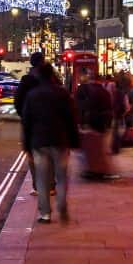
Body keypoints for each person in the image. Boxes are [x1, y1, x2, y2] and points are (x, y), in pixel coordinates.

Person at [21, 63, 79, 224]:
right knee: (61, 176)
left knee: (42, 178)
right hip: (60, 141)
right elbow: (71, 119)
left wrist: (26, 145)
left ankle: (45, 214)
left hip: (39, 142)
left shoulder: (32, 95)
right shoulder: (62, 93)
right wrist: (74, 140)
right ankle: (61, 206)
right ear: (52, 75)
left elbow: (27, 122)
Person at [14, 52, 51, 196]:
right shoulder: (50, 79)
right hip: (48, 122)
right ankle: (50, 185)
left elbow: (17, 102)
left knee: (33, 155)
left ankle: (37, 186)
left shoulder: (26, 80)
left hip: (31, 123)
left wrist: (24, 116)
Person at [74, 70, 116, 180]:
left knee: (88, 148)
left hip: (89, 122)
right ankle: (99, 170)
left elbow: (79, 105)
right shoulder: (104, 91)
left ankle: (91, 169)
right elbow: (109, 108)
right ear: (100, 80)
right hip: (101, 123)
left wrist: (81, 121)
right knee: (100, 148)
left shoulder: (84, 89)